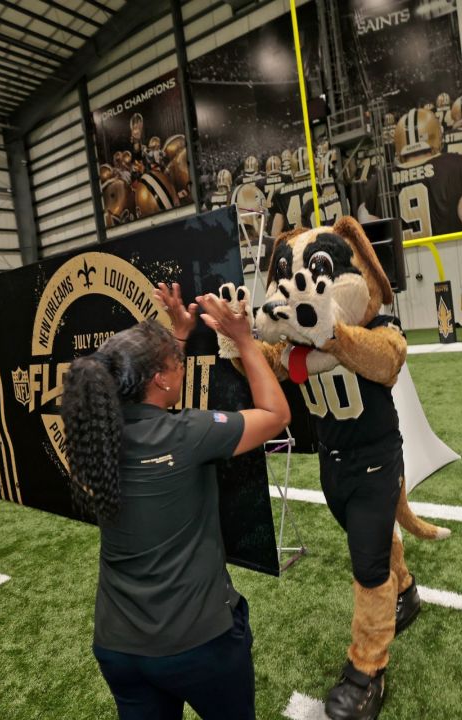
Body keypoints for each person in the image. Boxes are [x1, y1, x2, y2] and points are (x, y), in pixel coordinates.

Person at [61, 282, 290, 720]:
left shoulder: (94, 436)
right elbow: (276, 415)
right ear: (160, 378)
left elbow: (151, 392)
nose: (182, 368)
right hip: (199, 644)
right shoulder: (188, 434)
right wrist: (243, 339)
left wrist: (176, 337)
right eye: (177, 363)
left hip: (119, 647)